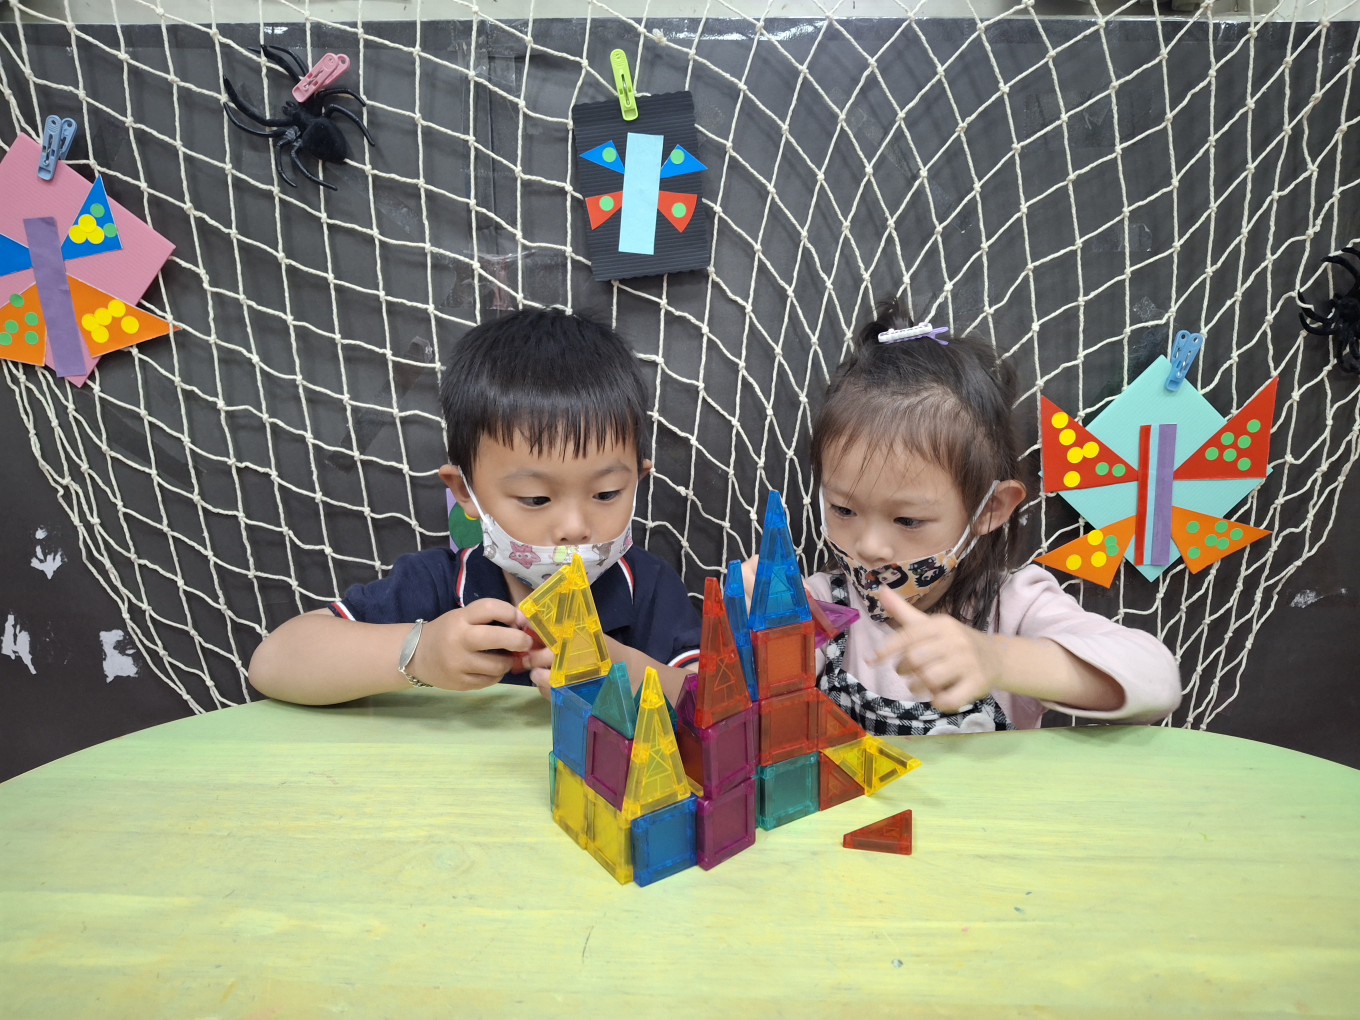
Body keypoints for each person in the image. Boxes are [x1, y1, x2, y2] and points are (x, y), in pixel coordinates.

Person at [751, 300, 1181, 735]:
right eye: (844, 509)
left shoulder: (1014, 609)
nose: (869, 546)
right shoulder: (822, 605)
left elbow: (1158, 680)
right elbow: (750, 707)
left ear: (990, 509)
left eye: (908, 520)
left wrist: (996, 659)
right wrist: (758, 628)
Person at [249, 308, 701, 706]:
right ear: (465, 492)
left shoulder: (648, 589)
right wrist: (420, 654)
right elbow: (272, 663)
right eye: (536, 499)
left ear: (638, 481)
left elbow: (714, 707)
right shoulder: (437, 585)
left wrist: (627, 672)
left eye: (606, 494)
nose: (574, 527)